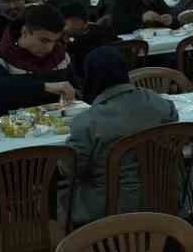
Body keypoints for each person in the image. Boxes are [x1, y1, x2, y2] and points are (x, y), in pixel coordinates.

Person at [65, 48, 178, 221]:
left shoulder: (87, 122)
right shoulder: (160, 103)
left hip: (110, 206)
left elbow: (72, 168)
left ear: (89, 78)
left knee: (67, 192)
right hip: (164, 195)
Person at [0, 3, 76, 112]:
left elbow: (74, 88)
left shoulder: (60, 54)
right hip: (11, 124)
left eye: (55, 41)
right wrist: (45, 87)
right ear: (24, 32)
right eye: (44, 40)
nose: (50, 48)